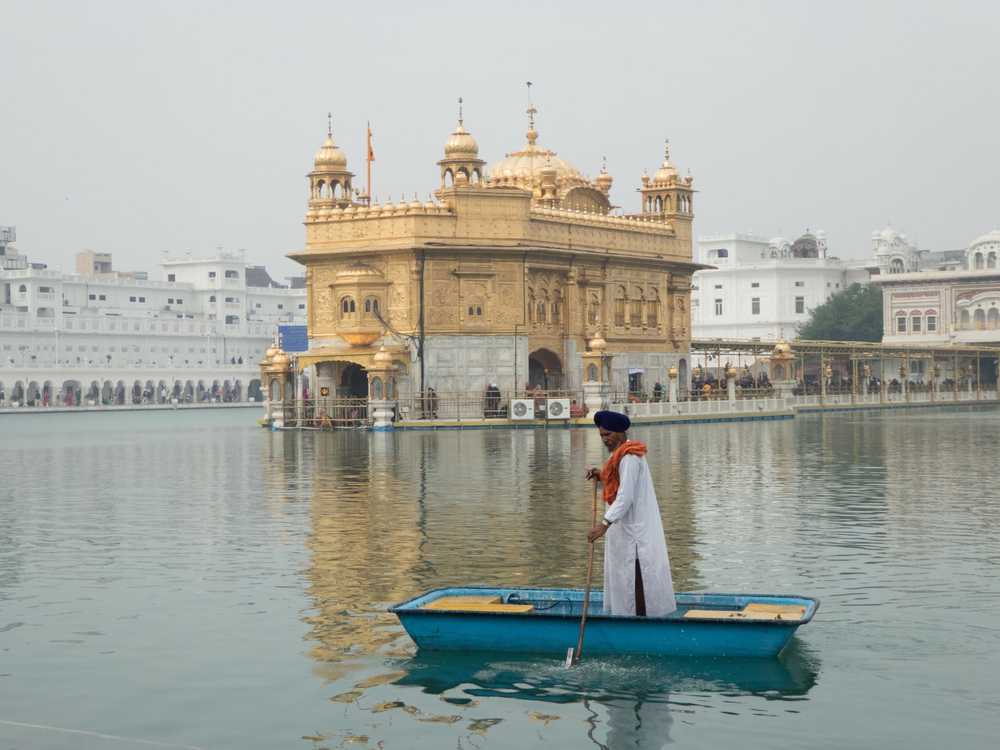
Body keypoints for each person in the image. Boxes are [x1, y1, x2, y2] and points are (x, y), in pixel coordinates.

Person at [586, 410, 676, 617]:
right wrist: (601, 476)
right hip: (625, 528)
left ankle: (640, 621)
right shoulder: (618, 457)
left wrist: (604, 524)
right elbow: (617, 484)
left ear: (620, 433)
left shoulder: (630, 458)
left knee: (636, 574)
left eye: (607, 435)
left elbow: (625, 497)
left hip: (635, 531)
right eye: (601, 436)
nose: (604, 439)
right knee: (626, 574)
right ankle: (631, 617)